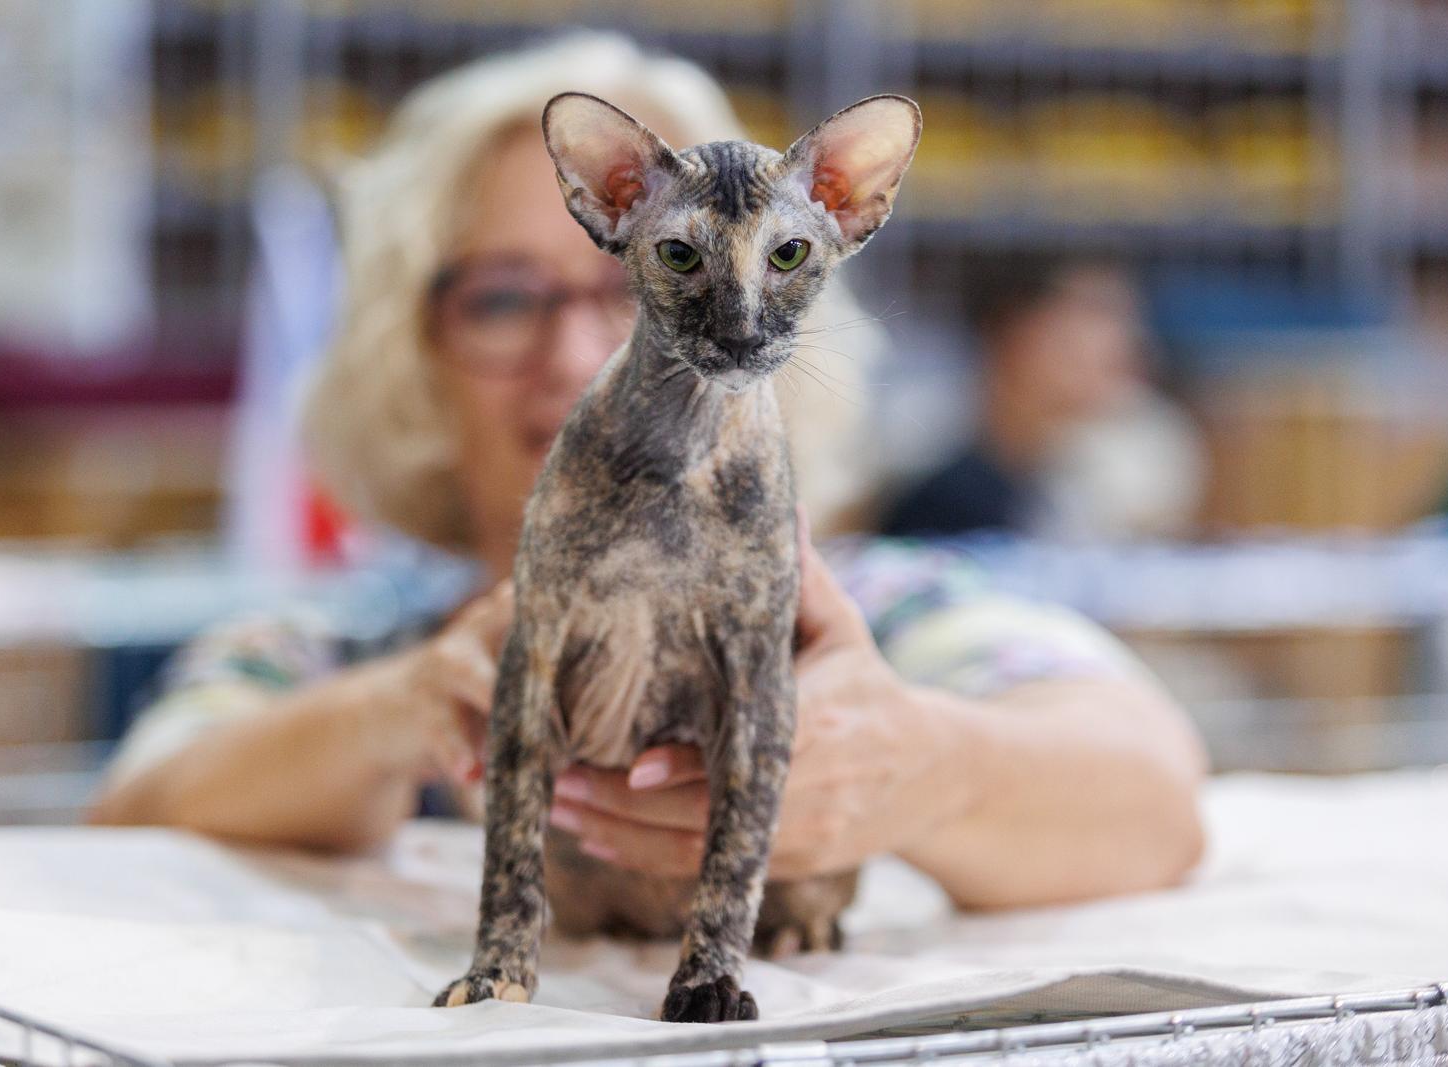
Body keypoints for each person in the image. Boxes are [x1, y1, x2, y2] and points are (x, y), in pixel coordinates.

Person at [89, 35, 1207, 911]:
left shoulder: (873, 619)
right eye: (505, 297)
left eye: (638, 292)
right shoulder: (329, 649)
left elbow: (1158, 793)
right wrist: (400, 712)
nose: (586, 358)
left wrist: (923, 763)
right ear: (407, 350)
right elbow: (126, 827)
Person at [881, 253, 1204, 541]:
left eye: (1124, 317)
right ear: (1014, 330)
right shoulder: (930, 472)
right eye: (1095, 312)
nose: (1121, 340)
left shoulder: (1133, 453)